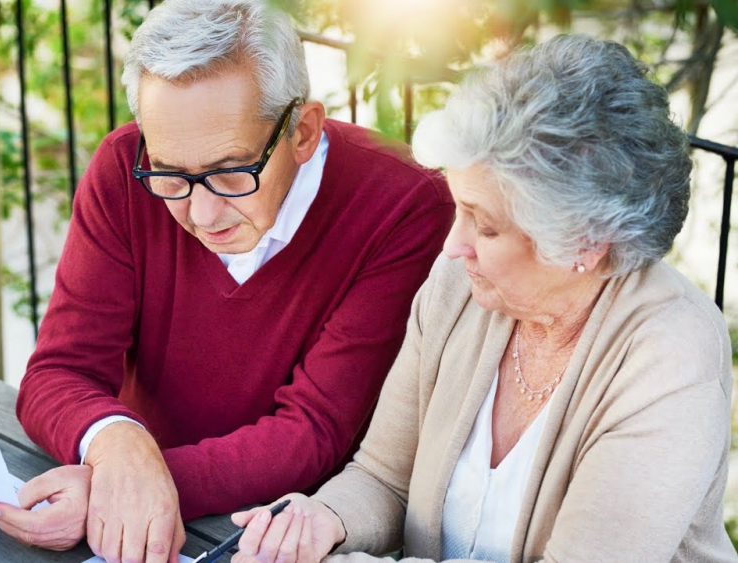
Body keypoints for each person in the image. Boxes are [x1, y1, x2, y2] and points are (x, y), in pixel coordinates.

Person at [230, 34, 737, 563]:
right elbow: (383, 477)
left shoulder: (671, 354)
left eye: (486, 226)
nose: (453, 245)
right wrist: (323, 521)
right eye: (459, 208)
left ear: (584, 242)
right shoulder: (460, 288)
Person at [0, 0, 455, 560]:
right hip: (126, 522)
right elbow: (60, 371)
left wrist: (124, 484)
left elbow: (314, 429)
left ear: (302, 132)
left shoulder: (403, 206)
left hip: (280, 534)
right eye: (171, 174)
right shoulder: (123, 169)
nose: (201, 215)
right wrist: (117, 445)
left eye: (232, 172)